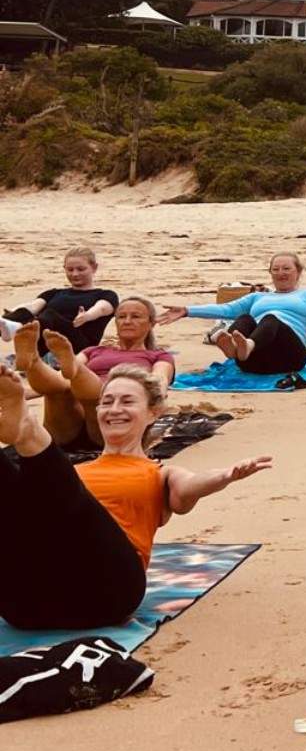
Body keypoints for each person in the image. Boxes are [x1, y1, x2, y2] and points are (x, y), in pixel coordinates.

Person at [0, 364, 271, 630]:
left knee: (64, 494)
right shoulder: (69, 473)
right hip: (26, 604)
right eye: (107, 402)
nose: (115, 409)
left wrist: (226, 475)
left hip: (104, 593)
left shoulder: (159, 473)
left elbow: (189, 487)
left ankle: (27, 428)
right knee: (22, 494)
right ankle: (25, 431)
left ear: (153, 413)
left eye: (127, 401)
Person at [158, 253, 306, 376]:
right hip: (252, 363)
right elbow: (225, 310)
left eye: (287, 269)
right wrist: (187, 310)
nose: (281, 273)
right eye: (276, 269)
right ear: (270, 273)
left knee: (271, 318)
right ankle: (236, 349)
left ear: (298, 272)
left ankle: (246, 346)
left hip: (289, 357)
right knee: (244, 318)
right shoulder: (257, 297)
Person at [12, 299, 175, 450]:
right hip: (69, 424)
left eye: (136, 317)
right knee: (59, 389)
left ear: (151, 324)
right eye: (121, 317)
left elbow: (159, 381)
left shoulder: (158, 356)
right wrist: (24, 393)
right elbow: (61, 378)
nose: (127, 321)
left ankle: (70, 369)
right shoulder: (94, 350)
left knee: (93, 390)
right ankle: (33, 361)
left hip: (113, 416)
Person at [5, 247, 118, 355]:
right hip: (45, 344)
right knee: (15, 317)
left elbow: (102, 308)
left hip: (78, 347)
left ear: (94, 268)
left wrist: (87, 315)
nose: (75, 274)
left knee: (49, 315)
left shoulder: (106, 295)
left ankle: (16, 329)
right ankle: (11, 327)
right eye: (70, 269)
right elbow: (33, 306)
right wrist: (12, 315)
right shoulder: (53, 293)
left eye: (81, 269)